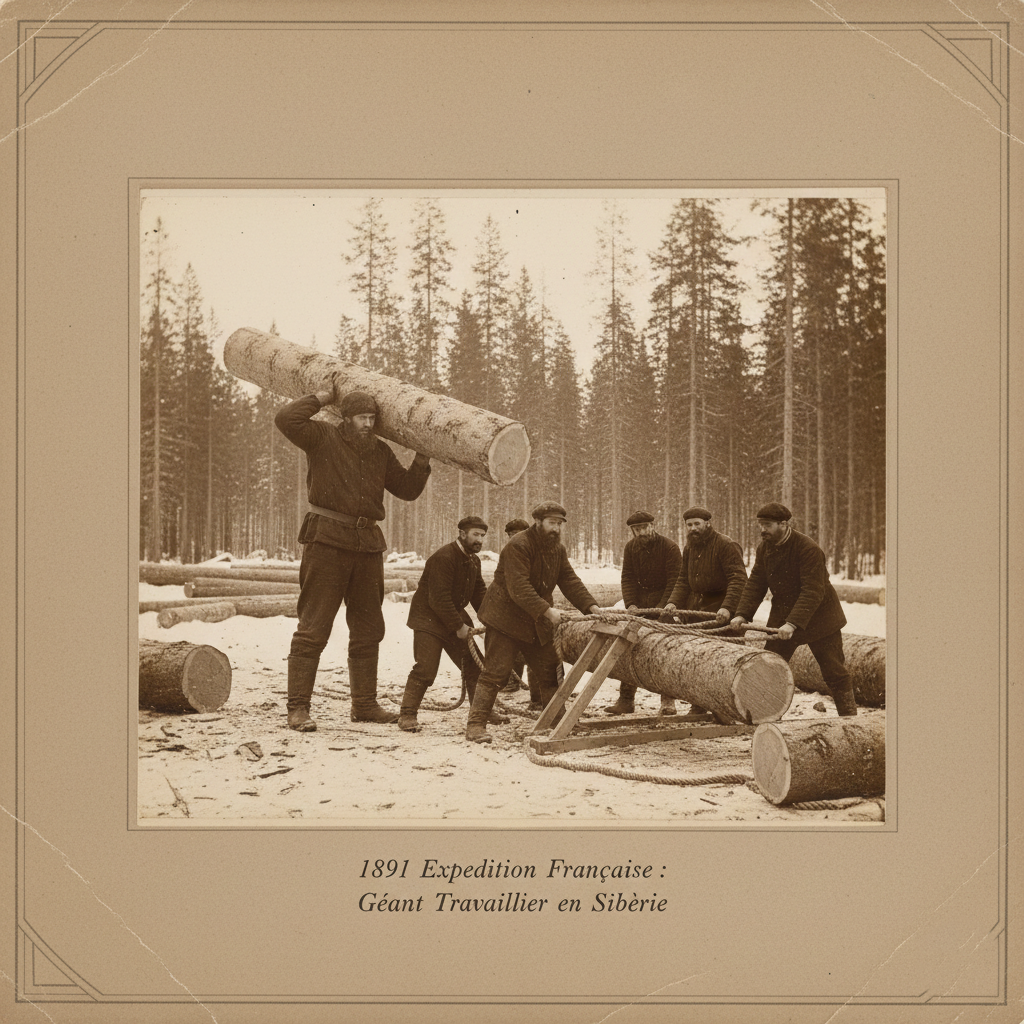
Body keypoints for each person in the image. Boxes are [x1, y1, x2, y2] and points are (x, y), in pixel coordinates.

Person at [274, 386, 431, 731]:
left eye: (372, 418)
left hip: (367, 545)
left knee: (368, 628)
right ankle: (298, 708)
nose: (367, 424)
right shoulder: (321, 437)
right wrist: (319, 398)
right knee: (314, 625)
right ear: (345, 419)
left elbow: (406, 489)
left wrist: (421, 460)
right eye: (362, 417)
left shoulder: (379, 451)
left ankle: (364, 705)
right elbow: (285, 418)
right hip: (326, 540)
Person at [464, 502, 601, 744]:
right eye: (552, 523)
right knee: (496, 673)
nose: (556, 529)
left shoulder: (557, 549)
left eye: (559, 524)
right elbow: (519, 588)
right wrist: (548, 612)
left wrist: (591, 607)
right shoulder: (518, 545)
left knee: (549, 671)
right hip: (505, 619)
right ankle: (475, 725)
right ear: (538, 522)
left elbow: (569, 580)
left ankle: (558, 721)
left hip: (534, 620)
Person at [730, 502, 857, 717]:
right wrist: (742, 613)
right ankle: (765, 715)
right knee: (768, 667)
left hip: (820, 617)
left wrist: (793, 623)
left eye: (767, 525)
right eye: (760, 525)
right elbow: (756, 583)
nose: (763, 530)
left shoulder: (808, 549)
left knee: (833, 670)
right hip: (783, 614)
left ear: (783, 524)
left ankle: (849, 718)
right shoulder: (765, 548)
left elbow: (813, 591)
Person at [397, 516, 508, 733]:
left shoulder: (473, 560)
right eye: (475, 534)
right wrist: (459, 626)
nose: (479, 540)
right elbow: (438, 598)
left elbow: (479, 594)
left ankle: (482, 711)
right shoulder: (444, 557)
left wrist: (493, 619)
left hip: (452, 618)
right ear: (462, 533)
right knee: (426, 669)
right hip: (428, 620)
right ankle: (407, 714)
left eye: (482, 536)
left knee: (475, 668)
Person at [662, 505, 749, 715]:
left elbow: (738, 581)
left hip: (721, 610)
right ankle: (699, 704)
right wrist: (673, 602)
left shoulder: (726, 545)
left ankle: (734, 707)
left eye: (697, 524)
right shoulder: (690, 548)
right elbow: (684, 579)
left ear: (707, 524)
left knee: (726, 662)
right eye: (689, 525)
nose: (693, 529)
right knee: (698, 658)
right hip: (698, 609)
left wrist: (728, 609)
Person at [604, 510, 683, 717]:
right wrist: (631, 604)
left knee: (664, 651)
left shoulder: (669, 547)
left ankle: (667, 701)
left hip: (665, 605)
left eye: (644, 527)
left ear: (653, 526)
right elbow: (627, 577)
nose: (641, 532)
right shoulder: (631, 547)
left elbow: (675, 579)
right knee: (628, 645)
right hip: (639, 604)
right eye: (636, 529)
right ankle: (626, 700)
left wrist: (662, 608)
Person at [499, 518, 536, 705]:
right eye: (511, 535)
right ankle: (512, 681)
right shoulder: (508, 552)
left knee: (532, 649)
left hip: (530, 606)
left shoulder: (532, 552)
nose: (515, 538)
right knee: (511, 646)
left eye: (519, 534)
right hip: (511, 606)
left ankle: (535, 692)